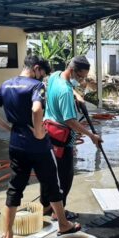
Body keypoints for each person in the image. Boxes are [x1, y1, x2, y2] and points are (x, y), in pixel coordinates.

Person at [0, 55, 80, 238]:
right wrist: (38, 132)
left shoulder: (7, 84)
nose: (41, 79)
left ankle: (8, 237)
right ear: (36, 68)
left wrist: (8, 128)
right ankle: (63, 224)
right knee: (53, 184)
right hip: (39, 147)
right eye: (41, 74)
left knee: (15, 189)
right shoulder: (36, 86)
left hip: (16, 144)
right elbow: (37, 110)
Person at [41, 56, 102, 220]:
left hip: (47, 132)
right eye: (81, 76)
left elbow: (66, 86)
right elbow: (70, 120)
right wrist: (91, 135)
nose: (82, 80)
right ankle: (58, 213)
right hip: (62, 139)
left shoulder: (56, 76)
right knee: (65, 177)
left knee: (49, 173)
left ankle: (46, 206)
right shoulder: (65, 92)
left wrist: (77, 95)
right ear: (72, 71)